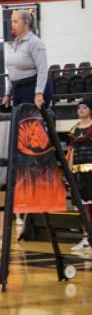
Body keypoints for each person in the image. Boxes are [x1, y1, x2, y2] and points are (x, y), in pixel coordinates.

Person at [2, 9, 52, 109]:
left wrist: (39, 93)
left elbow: (42, 69)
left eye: (16, 22)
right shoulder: (14, 44)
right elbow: (12, 71)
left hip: (32, 88)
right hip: (17, 90)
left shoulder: (35, 42)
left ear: (26, 23)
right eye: (12, 22)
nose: (12, 25)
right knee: (18, 122)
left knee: (30, 123)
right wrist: (7, 94)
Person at [68, 98, 92, 251]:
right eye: (79, 108)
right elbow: (71, 151)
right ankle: (86, 238)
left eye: (84, 107)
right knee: (82, 207)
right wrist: (69, 171)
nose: (81, 109)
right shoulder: (73, 130)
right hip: (78, 172)